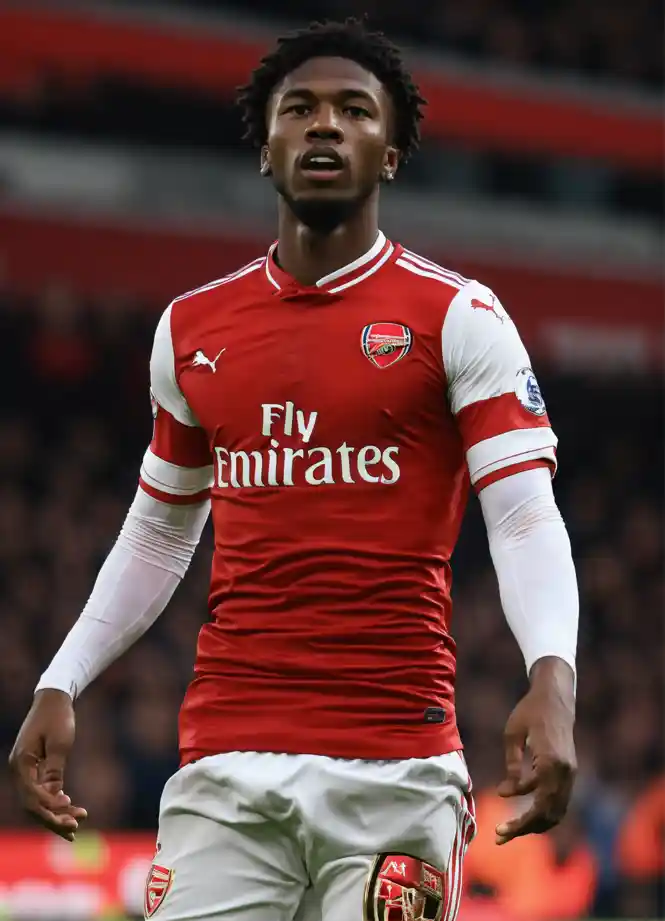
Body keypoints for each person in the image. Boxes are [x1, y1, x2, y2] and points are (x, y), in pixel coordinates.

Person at [9, 19, 579, 921]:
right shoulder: (192, 328)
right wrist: (61, 678)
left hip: (397, 767)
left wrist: (553, 676)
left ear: (390, 153)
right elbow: (158, 531)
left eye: (354, 111)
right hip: (226, 763)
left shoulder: (458, 316)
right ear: (264, 147)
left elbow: (521, 516)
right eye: (300, 109)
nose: (324, 125)